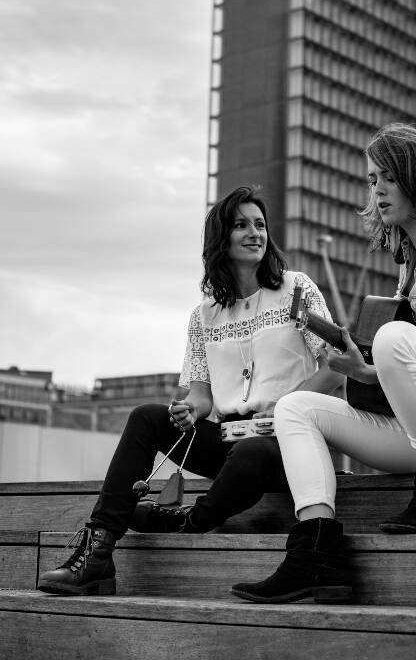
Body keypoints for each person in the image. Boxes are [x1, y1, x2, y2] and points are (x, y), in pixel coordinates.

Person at [231, 123, 416, 604]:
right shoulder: (411, 260)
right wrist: (359, 368)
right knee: (298, 407)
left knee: (396, 335)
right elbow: (406, 375)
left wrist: (378, 365)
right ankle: (315, 547)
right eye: (372, 180)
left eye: (386, 178)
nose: (376, 191)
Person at [38, 185, 343, 596]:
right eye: (241, 226)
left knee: (252, 452)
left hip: (289, 439)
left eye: (260, 225)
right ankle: (97, 552)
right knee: (147, 417)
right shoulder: (204, 315)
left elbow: (336, 367)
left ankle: (188, 521)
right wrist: (190, 412)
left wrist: (284, 410)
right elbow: (199, 393)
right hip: (231, 439)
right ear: (222, 239)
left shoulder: (295, 289)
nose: (255, 233)